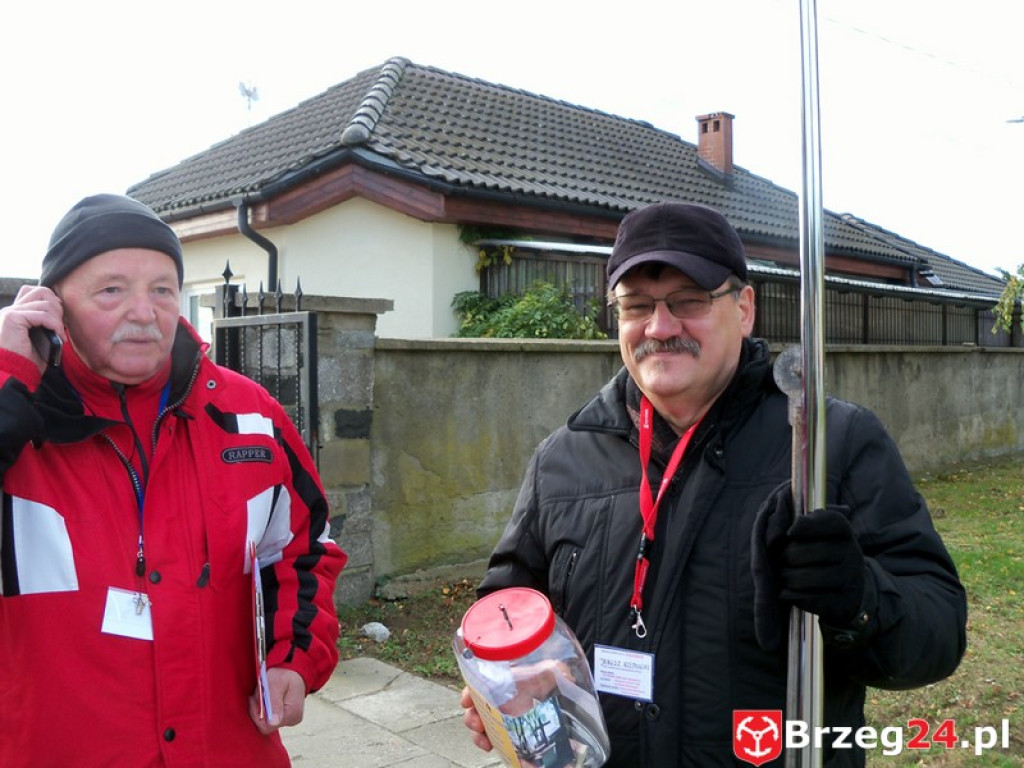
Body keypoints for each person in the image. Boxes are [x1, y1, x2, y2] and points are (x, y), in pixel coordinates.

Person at [461, 201, 966, 766]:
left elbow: (939, 633)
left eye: (688, 301)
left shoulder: (827, 443)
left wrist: (861, 601)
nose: (660, 327)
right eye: (636, 307)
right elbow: (505, 608)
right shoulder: (563, 457)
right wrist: (501, 682)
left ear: (744, 308)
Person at [0, 194, 347, 766]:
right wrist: (10, 386)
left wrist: (295, 654)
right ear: (53, 306)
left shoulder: (250, 415)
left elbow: (308, 548)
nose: (144, 312)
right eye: (111, 290)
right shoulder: (16, 422)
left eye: (162, 289)